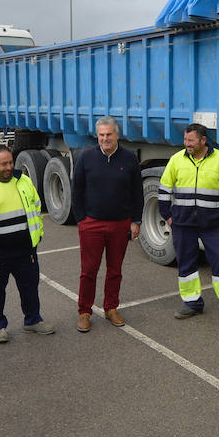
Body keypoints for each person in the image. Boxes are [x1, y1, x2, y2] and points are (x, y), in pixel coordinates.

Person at [158, 123, 219, 324]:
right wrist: (168, 216)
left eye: (191, 140)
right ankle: (192, 304)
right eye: (185, 140)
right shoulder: (176, 160)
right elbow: (164, 191)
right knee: (186, 264)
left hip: (211, 224)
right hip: (182, 224)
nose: (186, 144)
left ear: (203, 140)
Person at [0, 144, 54, 342]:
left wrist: (37, 234)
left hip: (25, 250)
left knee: (30, 287)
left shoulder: (24, 182)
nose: (8, 168)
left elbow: (36, 208)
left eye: (10, 163)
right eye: (3, 164)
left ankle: (32, 320)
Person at [70, 116, 142, 332]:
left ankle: (111, 307)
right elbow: (77, 190)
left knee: (115, 270)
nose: (105, 138)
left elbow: (137, 192)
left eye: (109, 134)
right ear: (97, 136)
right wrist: (82, 220)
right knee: (88, 270)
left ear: (117, 135)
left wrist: (135, 220)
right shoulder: (86, 157)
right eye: (101, 135)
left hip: (120, 224)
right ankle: (84, 311)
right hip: (92, 224)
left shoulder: (129, 158)